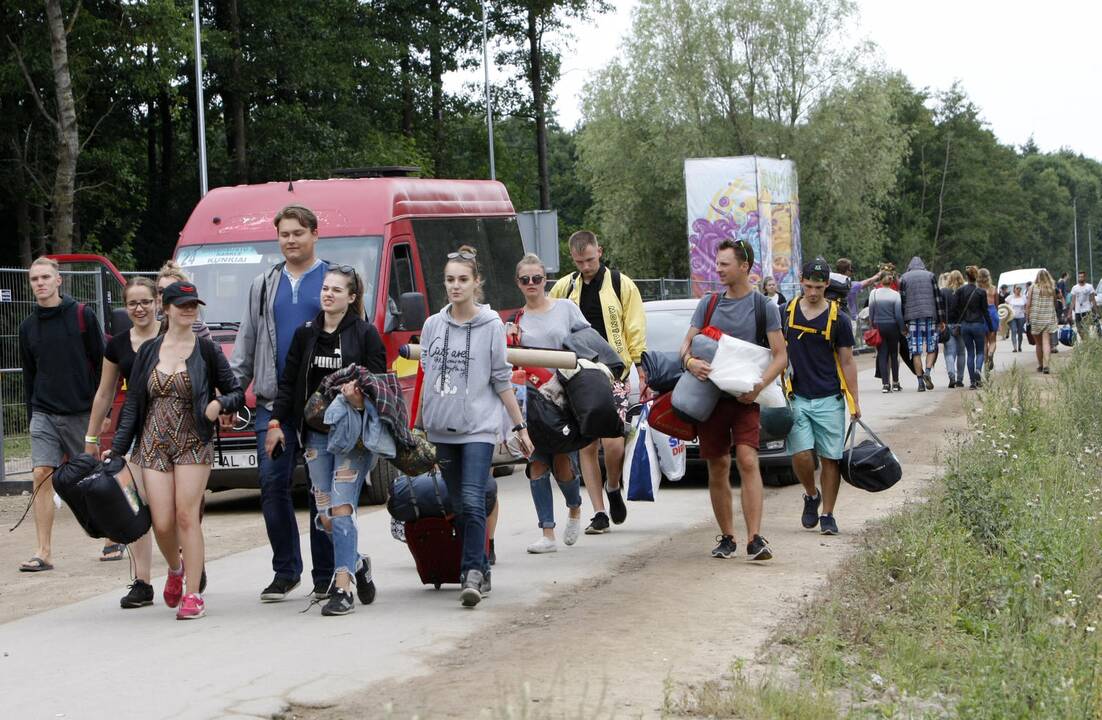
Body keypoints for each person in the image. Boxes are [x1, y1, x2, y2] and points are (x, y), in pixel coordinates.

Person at [107, 281, 243, 619]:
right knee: (162, 521)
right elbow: (134, 403)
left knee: (186, 515)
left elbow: (236, 391)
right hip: (153, 443)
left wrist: (218, 404)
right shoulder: (149, 351)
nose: (188, 309)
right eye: (181, 304)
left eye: (193, 304)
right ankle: (175, 568)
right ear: (165, 308)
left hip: (193, 441)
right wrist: (117, 451)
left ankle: (194, 594)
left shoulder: (207, 351)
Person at [267, 265, 386, 616]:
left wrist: (358, 398)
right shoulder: (306, 335)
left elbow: (380, 385)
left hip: (352, 439)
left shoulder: (365, 335)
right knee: (325, 515)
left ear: (352, 297)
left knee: (341, 506)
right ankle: (359, 563)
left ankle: (343, 587)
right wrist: (276, 421)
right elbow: (288, 383)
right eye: (325, 288)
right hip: (315, 436)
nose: (328, 294)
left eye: (337, 289)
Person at [230, 204, 335, 602]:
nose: (290, 240)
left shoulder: (333, 279)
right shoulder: (264, 284)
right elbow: (247, 342)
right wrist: (233, 391)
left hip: (322, 405)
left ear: (314, 234)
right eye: (284, 234)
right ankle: (286, 570)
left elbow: (352, 334)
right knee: (272, 485)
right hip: (273, 404)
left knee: (319, 490)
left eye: (297, 233)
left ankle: (325, 573)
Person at [419, 246, 532, 607]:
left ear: (475, 283)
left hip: (479, 428)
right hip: (441, 429)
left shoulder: (491, 325)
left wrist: (519, 427)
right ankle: (481, 567)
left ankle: (470, 572)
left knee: (470, 498)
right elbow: (426, 375)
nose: (455, 286)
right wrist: (418, 425)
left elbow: (501, 379)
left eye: (462, 280)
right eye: (450, 280)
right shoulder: (432, 325)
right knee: (459, 503)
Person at [680, 239, 786, 560]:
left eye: (725, 264)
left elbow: (780, 356)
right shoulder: (708, 304)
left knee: (748, 459)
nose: (718, 269)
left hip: (745, 399)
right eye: (718, 263)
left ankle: (755, 538)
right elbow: (684, 346)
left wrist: (758, 387)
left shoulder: (763, 306)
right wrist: (690, 362)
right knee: (718, 465)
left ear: (744, 267)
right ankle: (727, 537)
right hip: (710, 399)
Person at [548, 231, 647, 533]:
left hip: (614, 371)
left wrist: (640, 365)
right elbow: (550, 323)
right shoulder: (565, 288)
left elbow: (634, 325)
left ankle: (613, 486)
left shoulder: (620, 283)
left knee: (614, 443)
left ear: (599, 252)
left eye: (590, 260)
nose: (586, 266)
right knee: (587, 443)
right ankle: (599, 512)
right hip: (578, 374)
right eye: (580, 261)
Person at [18, 257, 106, 572]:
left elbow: (102, 365)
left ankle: (114, 534)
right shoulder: (27, 327)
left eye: (45, 277)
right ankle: (43, 551)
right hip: (43, 411)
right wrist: (32, 415)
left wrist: (101, 411)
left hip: (82, 411)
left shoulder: (82, 315)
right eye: (34, 279)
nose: (39, 283)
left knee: (94, 478)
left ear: (59, 281)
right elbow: (29, 375)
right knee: (41, 474)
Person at [84, 277, 164, 606]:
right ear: (125, 307)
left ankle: (182, 570)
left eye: (145, 301)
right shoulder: (117, 345)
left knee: (170, 511)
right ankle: (142, 582)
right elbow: (105, 392)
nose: (140, 308)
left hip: (173, 432)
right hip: (134, 434)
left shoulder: (172, 335)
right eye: (133, 303)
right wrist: (91, 437)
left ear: (157, 302)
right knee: (135, 506)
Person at [508, 254, 589, 554]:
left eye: (537, 278)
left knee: (563, 463)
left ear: (546, 280)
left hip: (565, 398)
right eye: (525, 279)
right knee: (537, 463)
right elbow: (509, 361)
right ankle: (547, 532)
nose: (532, 284)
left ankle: (575, 507)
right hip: (533, 401)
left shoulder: (566, 308)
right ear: (518, 283)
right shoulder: (515, 321)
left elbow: (587, 343)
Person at [783, 259, 861, 535]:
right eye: (808, 286)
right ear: (801, 281)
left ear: (827, 285)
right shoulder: (787, 313)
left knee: (831, 458)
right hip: (797, 396)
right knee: (802, 454)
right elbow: (775, 353)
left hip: (830, 397)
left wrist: (854, 400)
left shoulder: (838, 318)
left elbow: (848, 361)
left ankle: (828, 514)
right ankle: (810, 494)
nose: (813, 292)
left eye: (818, 287)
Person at [899, 256, 945, 391]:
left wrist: (903, 324)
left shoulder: (904, 278)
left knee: (916, 351)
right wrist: (941, 320)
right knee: (931, 347)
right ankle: (928, 372)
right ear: (923, 265)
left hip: (912, 319)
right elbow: (938, 298)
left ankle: (920, 383)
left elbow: (902, 302)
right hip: (930, 316)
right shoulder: (930, 276)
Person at [955, 266, 994, 389]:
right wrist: (991, 326)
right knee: (981, 351)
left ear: (966, 276)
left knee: (970, 353)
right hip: (978, 324)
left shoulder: (961, 291)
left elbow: (957, 308)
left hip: (965, 325)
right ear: (976, 276)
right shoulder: (981, 292)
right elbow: (985, 311)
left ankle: (972, 382)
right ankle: (978, 370)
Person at [868, 272, 904, 393]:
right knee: (894, 355)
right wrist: (902, 327)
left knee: (882, 355)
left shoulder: (873, 294)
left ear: (880, 280)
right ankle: (896, 383)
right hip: (893, 326)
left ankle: (885, 384)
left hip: (879, 326)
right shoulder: (895, 295)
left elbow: (871, 313)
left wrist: (873, 325)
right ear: (891, 281)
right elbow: (898, 315)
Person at [157, 261, 212, 339]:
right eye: (161, 291)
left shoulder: (198, 327)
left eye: (171, 290)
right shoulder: (152, 324)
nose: (164, 296)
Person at [1026, 269, 1058, 375]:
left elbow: (1028, 304)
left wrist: (1027, 317)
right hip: (1048, 317)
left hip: (1035, 318)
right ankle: (1046, 365)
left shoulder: (1032, 288)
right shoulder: (1051, 288)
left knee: (1038, 344)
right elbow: (1055, 303)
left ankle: (1040, 365)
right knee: (1046, 342)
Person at [941, 270, 966, 387]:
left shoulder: (944, 291)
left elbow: (940, 308)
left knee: (949, 352)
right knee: (961, 352)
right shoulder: (964, 292)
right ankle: (960, 379)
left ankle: (952, 376)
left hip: (947, 324)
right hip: (961, 324)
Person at [978, 269, 999, 372]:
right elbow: (996, 305)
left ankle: (986, 364)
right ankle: (991, 354)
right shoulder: (993, 289)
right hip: (992, 313)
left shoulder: (977, 289)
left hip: (981, 314)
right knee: (993, 341)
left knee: (984, 342)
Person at [1007, 285, 1027, 352]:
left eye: (1020, 288)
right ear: (1014, 289)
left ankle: (1019, 346)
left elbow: (1026, 306)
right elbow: (1005, 307)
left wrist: (1026, 315)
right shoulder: (1010, 298)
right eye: (1017, 288)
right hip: (1012, 317)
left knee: (1020, 332)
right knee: (1013, 330)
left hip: (1021, 317)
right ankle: (1015, 347)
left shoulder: (1023, 297)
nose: (1018, 290)